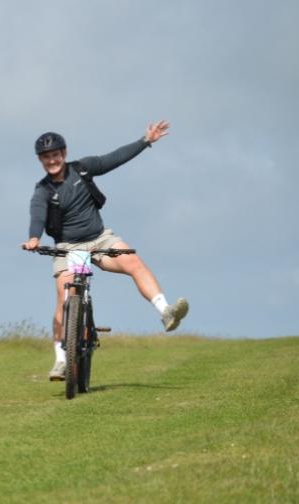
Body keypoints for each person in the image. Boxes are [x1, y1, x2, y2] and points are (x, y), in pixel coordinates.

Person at [22, 121, 189, 381]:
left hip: (100, 240)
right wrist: (33, 238)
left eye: (55, 155)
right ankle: (61, 361)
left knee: (133, 261)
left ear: (63, 154)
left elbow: (114, 159)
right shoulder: (43, 190)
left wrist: (145, 141)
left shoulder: (82, 168)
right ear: (41, 161)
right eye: (46, 157)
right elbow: (37, 214)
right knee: (64, 297)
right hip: (69, 249)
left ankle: (165, 311)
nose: (52, 160)